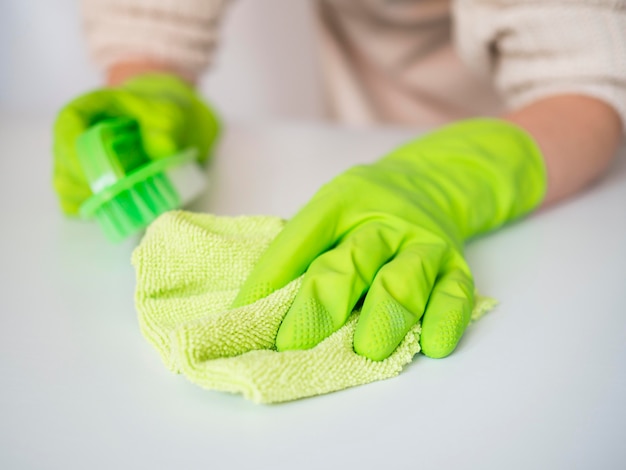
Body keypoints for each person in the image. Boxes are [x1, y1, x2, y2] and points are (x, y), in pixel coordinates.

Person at [53, 0, 625, 361]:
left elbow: (587, 81)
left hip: (551, 155)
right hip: (356, 131)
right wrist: (150, 87)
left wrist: (439, 183)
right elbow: (151, 26)